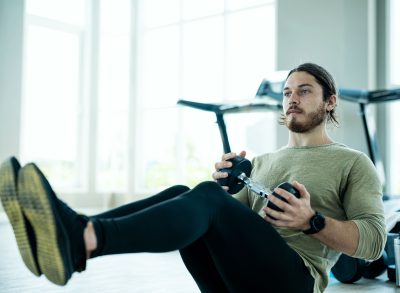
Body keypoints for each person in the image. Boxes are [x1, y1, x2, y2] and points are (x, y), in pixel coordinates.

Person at [0, 63, 386, 293]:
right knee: (184, 191)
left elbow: (372, 242)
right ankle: (81, 231)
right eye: (287, 92)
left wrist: (312, 221)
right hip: (238, 280)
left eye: (304, 91)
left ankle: (83, 238)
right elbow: (226, 225)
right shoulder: (265, 161)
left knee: (203, 196)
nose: (292, 99)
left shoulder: (352, 163)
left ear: (330, 101)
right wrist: (225, 189)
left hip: (294, 282)